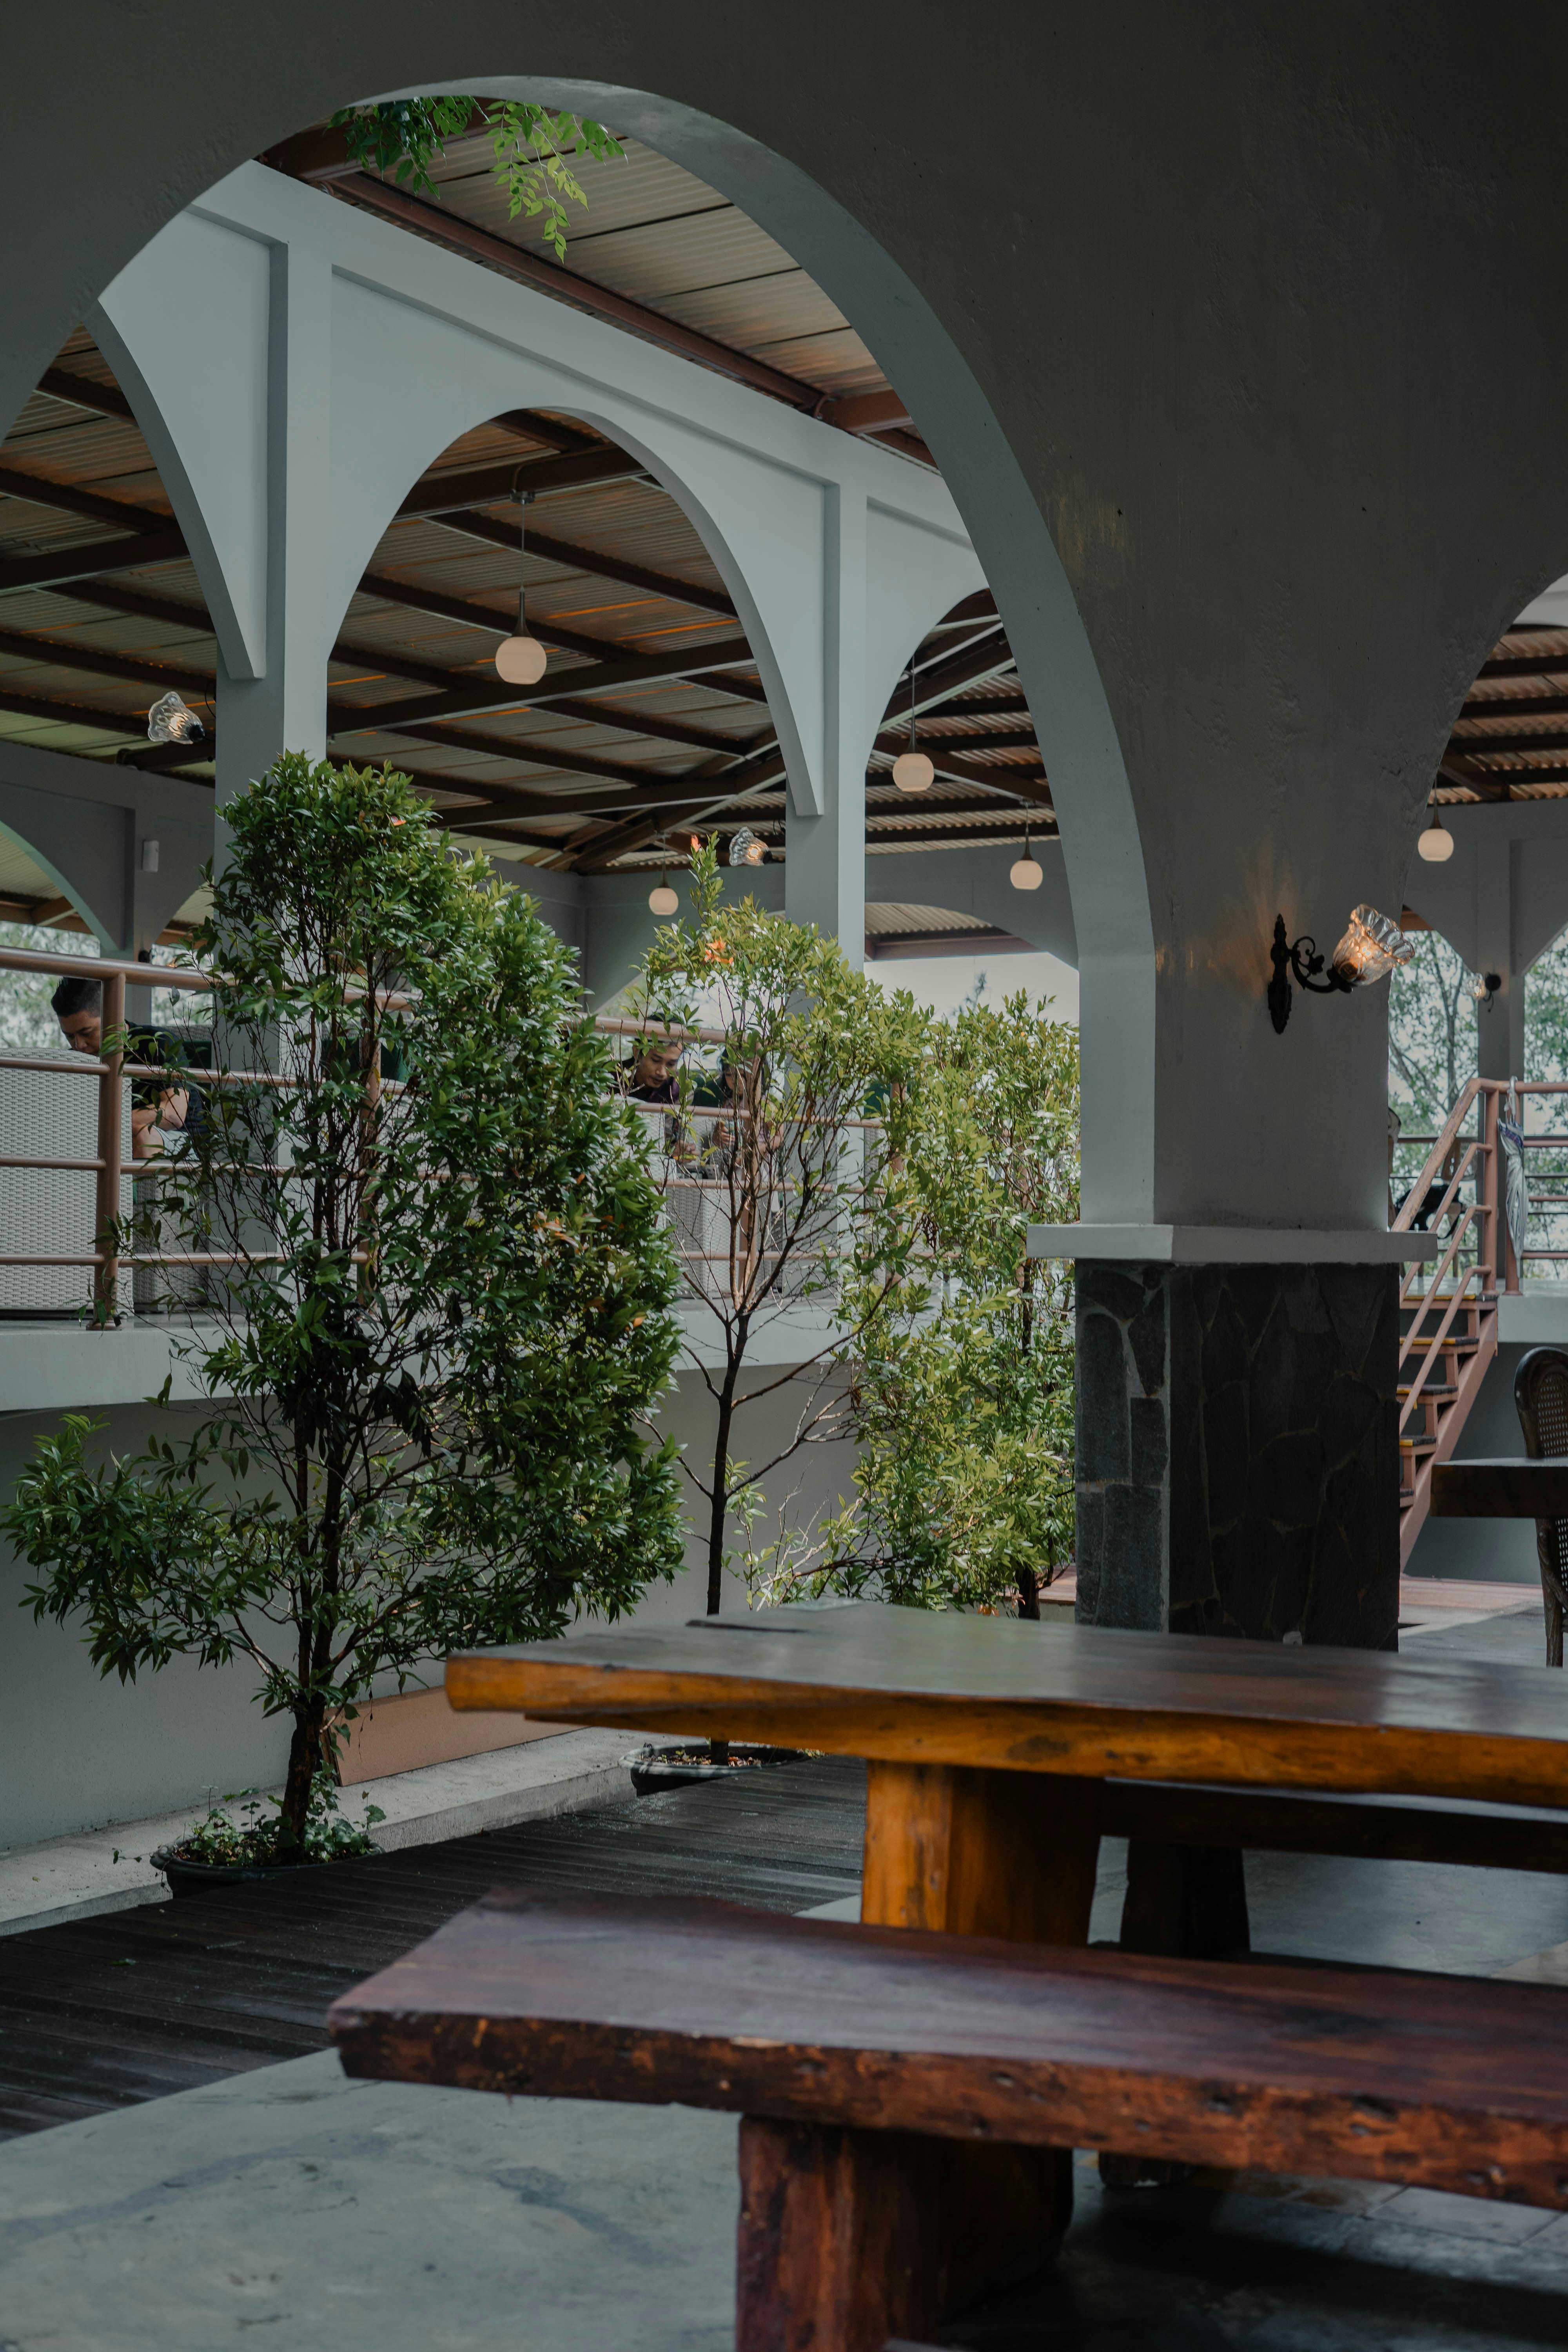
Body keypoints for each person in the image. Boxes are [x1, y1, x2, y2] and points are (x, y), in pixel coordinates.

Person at [51, 974, 200, 1162]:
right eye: (70, 1037)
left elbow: (174, 1114)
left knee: (142, 1136)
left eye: (86, 1033)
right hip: (107, 1142)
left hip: (182, 1144)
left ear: (112, 1014)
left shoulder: (158, 1041)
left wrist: (103, 1126)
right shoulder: (73, 1059)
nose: (78, 1045)